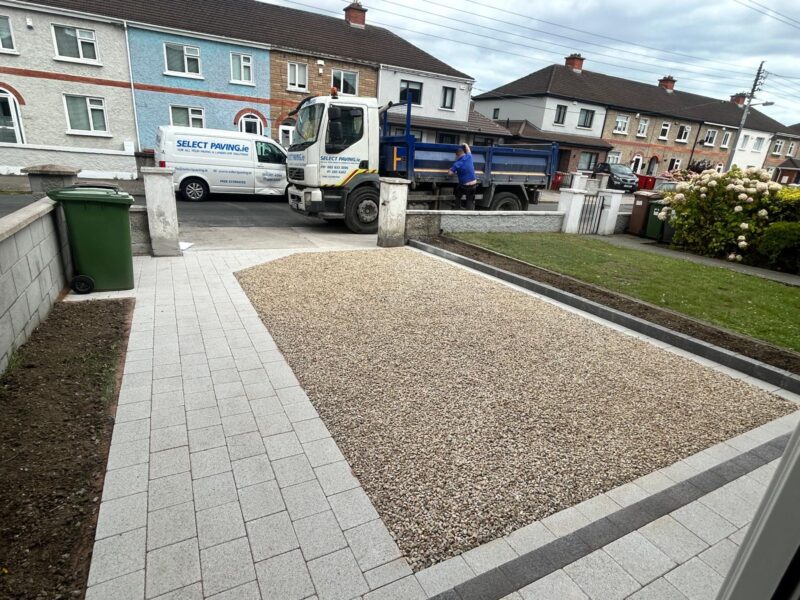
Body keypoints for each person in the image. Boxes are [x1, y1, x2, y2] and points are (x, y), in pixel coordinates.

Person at [448, 143, 478, 210]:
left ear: (457, 155)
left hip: (464, 186)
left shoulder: (457, 164)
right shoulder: (469, 156)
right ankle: (469, 214)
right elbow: (468, 150)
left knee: (458, 196)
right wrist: (466, 144)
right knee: (469, 200)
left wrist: (451, 169)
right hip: (473, 184)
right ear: (463, 153)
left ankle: (457, 209)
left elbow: (450, 173)